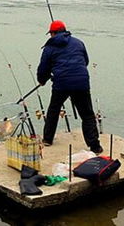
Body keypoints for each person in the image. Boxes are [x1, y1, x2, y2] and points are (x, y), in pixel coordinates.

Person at [37, 20, 103, 154]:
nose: (50, 36)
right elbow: (86, 61)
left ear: (54, 33)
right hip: (81, 82)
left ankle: (47, 139)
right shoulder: (78, 42)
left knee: (54, 110)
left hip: (61, 84)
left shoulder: (49, 48)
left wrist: (42, 80)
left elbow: (44, 68)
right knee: (87, 114)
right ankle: (95, 146)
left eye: (51, 34)